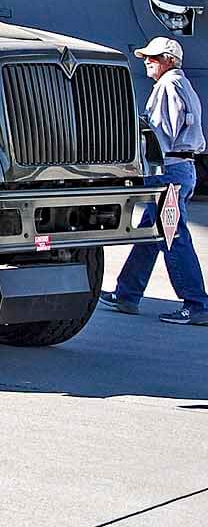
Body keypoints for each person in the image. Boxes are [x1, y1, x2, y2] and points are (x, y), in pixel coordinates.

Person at [100, 36, 208, 325]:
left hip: (167, 172)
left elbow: (161, 134)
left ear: (169, 61)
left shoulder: (167, 86)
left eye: (154, 57)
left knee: (173, 237)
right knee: (151, 233)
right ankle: (127, 293)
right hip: (181, 169)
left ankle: (196, 304)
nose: (147, 61)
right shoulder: (182, 85)